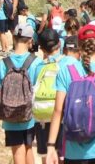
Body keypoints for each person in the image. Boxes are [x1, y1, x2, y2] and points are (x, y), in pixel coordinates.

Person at [45, 23, 95, 164]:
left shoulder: (66, 70)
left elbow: (58, 111)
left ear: (79, 46)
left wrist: (51, 146)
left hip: (74, 151)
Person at [0, 24, 42, 164]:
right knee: (28, 148)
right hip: (29, 115)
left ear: (14, 38)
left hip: (10, 117)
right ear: (30, 40)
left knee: (17, 151)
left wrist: (11, 101)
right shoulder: (36, 62)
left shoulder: (4, 63)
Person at [35, 29, 64, 164]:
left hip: (43, 115)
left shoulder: (38, 67)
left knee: (46, 155)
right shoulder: (66, 64)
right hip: (62, 116)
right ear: (59, 44)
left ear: (41, 48)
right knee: (62, 155)